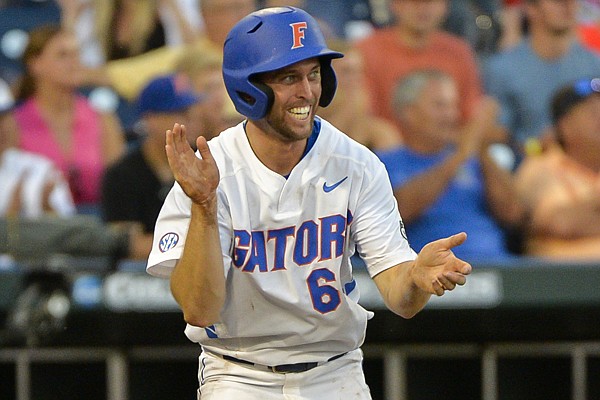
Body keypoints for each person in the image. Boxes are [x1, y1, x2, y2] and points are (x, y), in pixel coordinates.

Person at [146, 7, 472, 399]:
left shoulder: (357, 164)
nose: (307, 91)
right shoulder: (209, 172)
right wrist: (204, 207)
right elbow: (198, 310)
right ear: (248, 87)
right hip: (238, 373)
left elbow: (401, 299)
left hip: (334, 372)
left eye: (313, 74)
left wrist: (418, 276)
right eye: (288, 78)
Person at [377, 69, 524, 262]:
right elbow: (398, 211)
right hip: (429, 272)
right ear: (408, 112)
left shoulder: (475, 158)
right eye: (440, 106)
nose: (451, 115)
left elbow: (513, 214)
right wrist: (463, 152)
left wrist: (481, 149)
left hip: (496, 267)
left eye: (453, 106)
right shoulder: (383, 163)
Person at [9, 24, 126, 210]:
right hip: (38, 229)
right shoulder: (13, 124)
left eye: (77, 54)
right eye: (63, 55)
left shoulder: (103, 119)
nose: (74, 62)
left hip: (96, 229)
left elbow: (120, 189)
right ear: (35, 64)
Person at [483, 0, 600, 161]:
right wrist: (537, 146)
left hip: (590, 168)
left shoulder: (594, 64)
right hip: (529, 167)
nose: (567, 5)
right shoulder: (503, 69)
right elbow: (499, 138)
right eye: (557, 1)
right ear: (531, 9)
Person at [101, 73, 202, 259]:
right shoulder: (123, 174)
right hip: (143, 276)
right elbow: (129, 245)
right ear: (151, 119)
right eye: (179, 112)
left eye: (191, 110)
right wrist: (199, 245)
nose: (191, 118)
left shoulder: (205, 162)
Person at [353, 0, 483, 133]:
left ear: (445, 6)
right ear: (395, 5)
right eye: (414, 1)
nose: (422, 8)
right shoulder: (367, 50)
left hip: (447, 146)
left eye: (430, 2)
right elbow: (358, 113)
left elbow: (470, 115)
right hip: (381, 149)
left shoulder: (459, 52)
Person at [514, 77, 600, 260]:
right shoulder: (542, 165)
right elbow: (560, 223)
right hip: (561, 277)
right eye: (593, 114)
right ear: (565, 126)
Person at [0, 77, 75, 218]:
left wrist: (47, 208)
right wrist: (9, 221)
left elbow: (72, 235)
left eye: (5, 116)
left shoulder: (41, 169)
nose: (3, 127)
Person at [317, 39, 403, 152]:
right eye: (347, 71)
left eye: (359, 71)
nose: (356, 80)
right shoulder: (310, 118)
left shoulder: (379, 135)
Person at [175, 46, 243, 141]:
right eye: (208, 88)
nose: (218, 97)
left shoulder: (239, 130)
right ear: (186, 92)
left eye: (219, 86)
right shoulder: (181, 138)